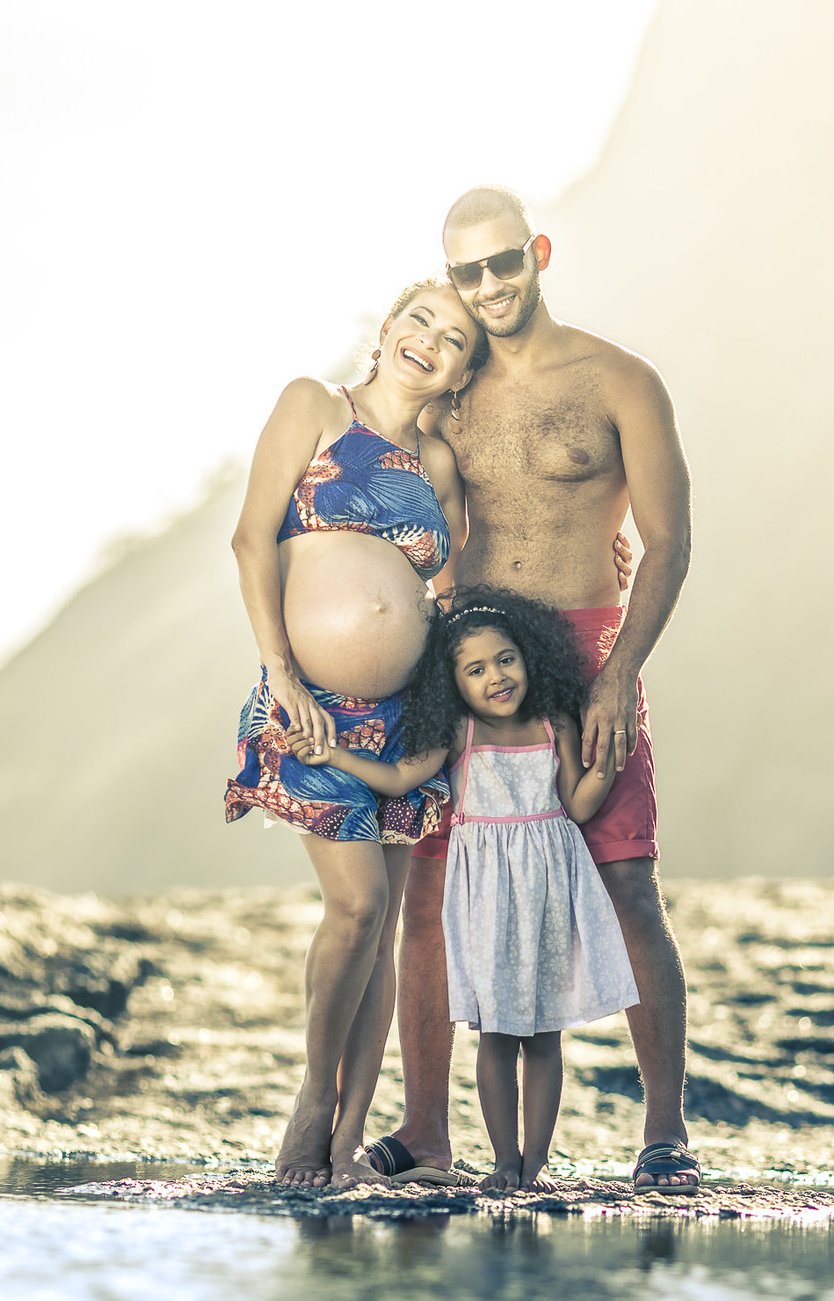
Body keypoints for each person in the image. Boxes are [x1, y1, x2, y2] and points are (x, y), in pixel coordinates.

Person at [373, 185, 699, 1194]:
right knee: (429, 891)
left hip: (587, 649)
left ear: (538, 253)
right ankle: (426, 1130)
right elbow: (390, 490)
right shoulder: (449, 395)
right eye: (465, 271)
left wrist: (618, 675)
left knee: (626, 877)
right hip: (469, 655)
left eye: (502, 262)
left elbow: (667, 542)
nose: (487, 286)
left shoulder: (621, 381)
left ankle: (665, 1134)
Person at [224, 277, 487, 1190]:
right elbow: (251, 541)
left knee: (382, 934)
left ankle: (345, 1146)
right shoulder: (315, 407)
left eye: (454, 339)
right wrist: (279, 671)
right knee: (358, 909)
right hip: (311, 712)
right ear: (387, 326)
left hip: (405, 717)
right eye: (420, 320)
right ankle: (311, 1102)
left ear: (461, 371)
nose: (430, 342)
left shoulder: (438, 465)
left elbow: (448, 590)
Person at [286, 589, 638, 1191]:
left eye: (506, 659)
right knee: (497, 1035)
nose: (496, 677)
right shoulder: (459, 733)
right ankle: (504, 1161)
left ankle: (535, 1164)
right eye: (475, 670)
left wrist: (605, 764)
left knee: (545, 1037)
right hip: (488, 901)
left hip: (549, 894)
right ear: (454, 684)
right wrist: (335, 758)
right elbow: (398, 776)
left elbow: (578, 806)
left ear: (529, 658)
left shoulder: (554, 724)